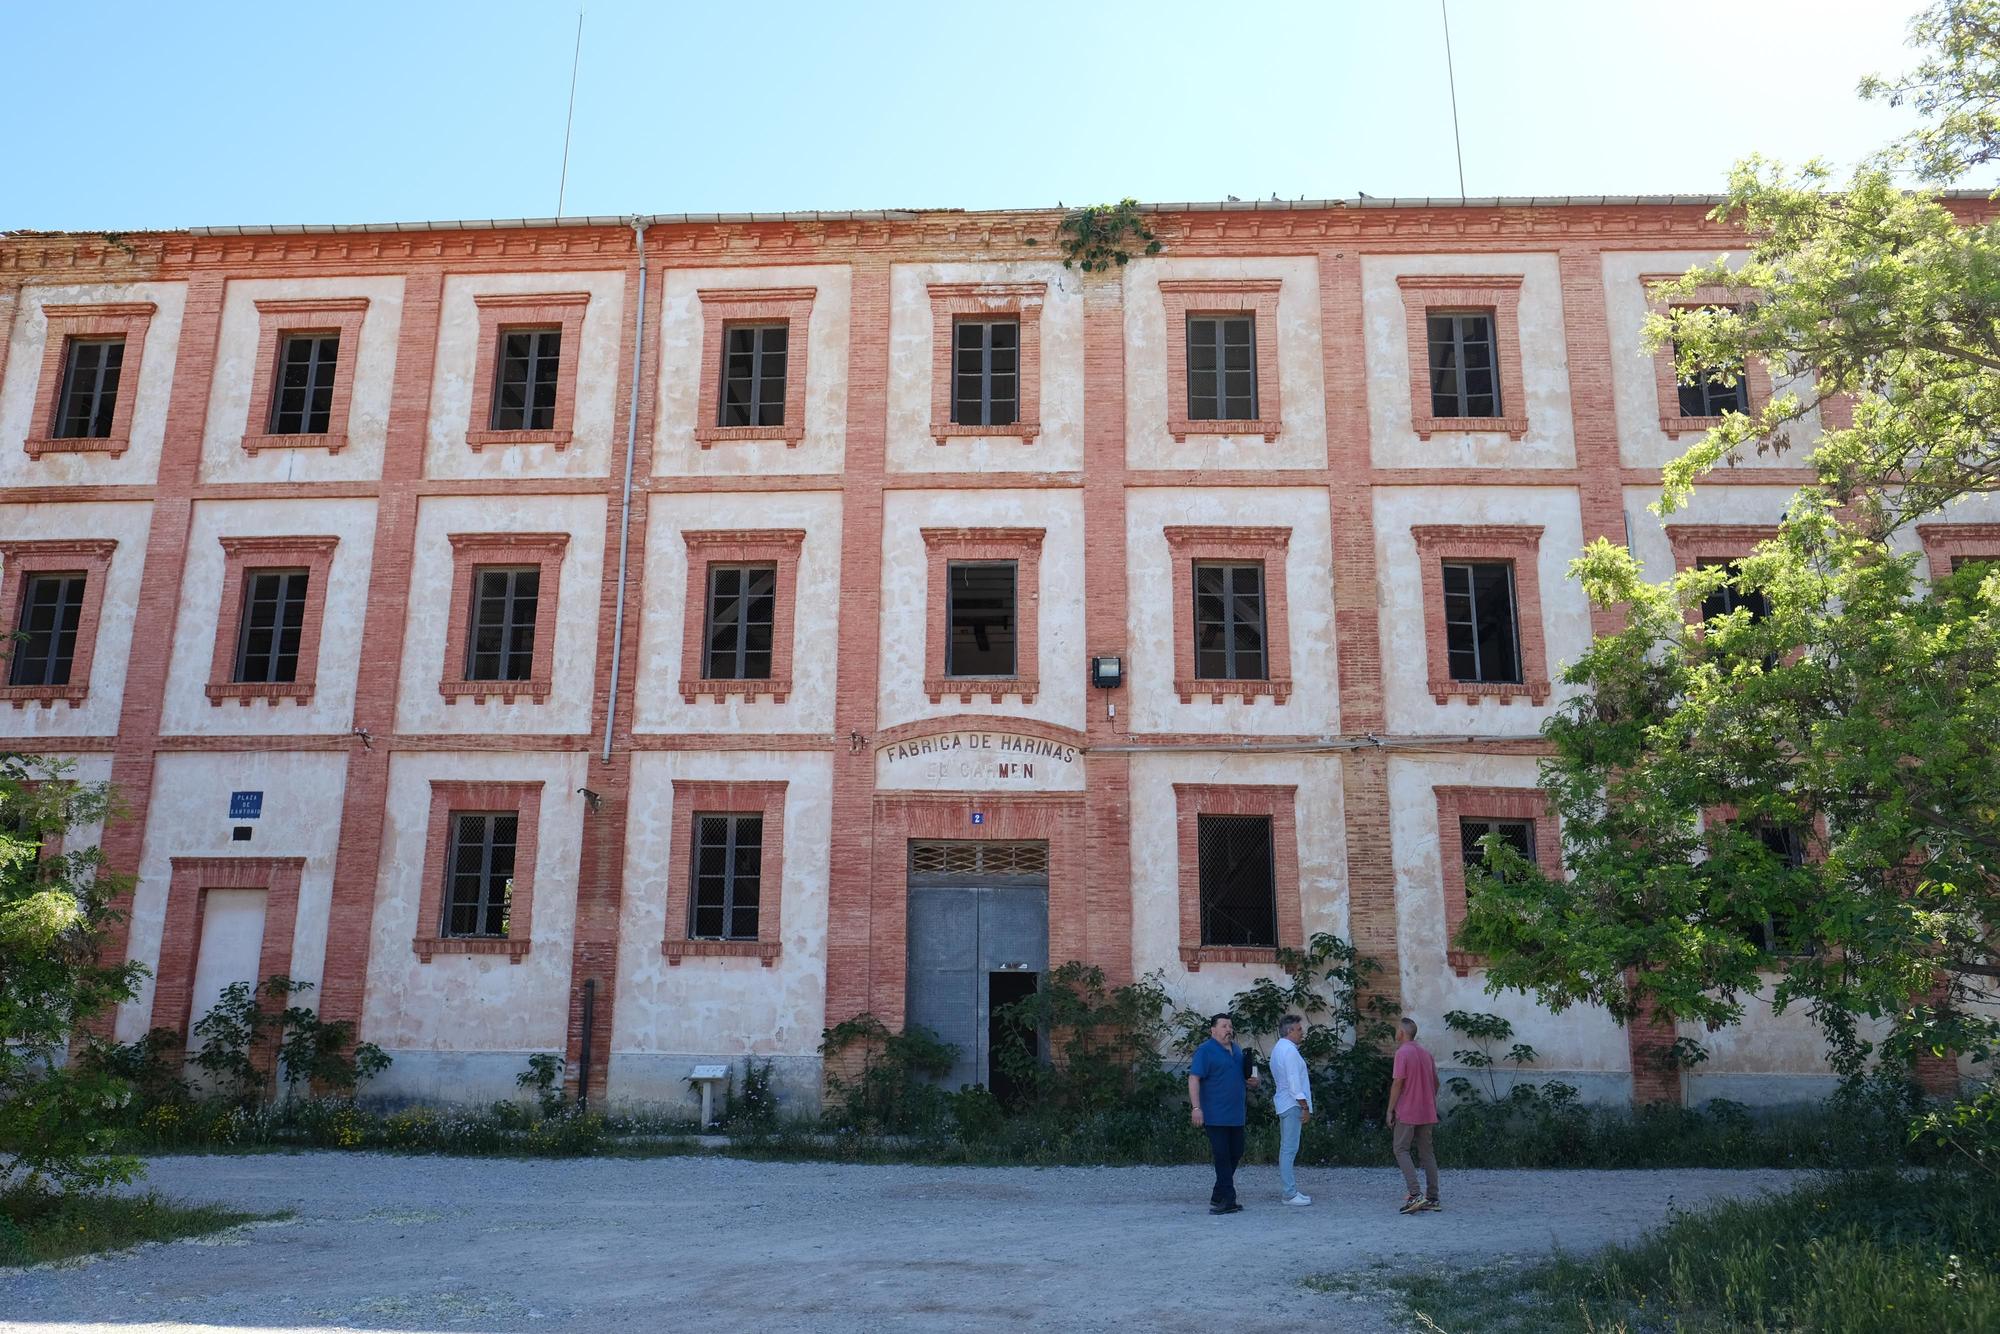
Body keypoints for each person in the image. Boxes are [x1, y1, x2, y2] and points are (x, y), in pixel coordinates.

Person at [1188, 1013, 1258, 1214]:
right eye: (1224, 1026)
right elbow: (1194, 1079)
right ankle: (1228, 1199)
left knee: (1236, 1153)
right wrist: (1196, 1108)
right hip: (1215, 1114)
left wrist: (1254, 1081)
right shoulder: (1205, 1051)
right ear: (1213, 1030)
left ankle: (1218, 1194)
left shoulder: (1237, 1050)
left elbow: (1244, 1077)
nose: (1229, 1029)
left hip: (1236, 1114)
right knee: (1222, 1155)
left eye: (1230, 1026)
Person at [1385, 1016, 1441, 1214]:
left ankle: (1415, 1194)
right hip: (1427, 1110)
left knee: (1401, 1149)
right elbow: (1436, 1083)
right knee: (1427, 1153)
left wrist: (1390, 1109)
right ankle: (1433, 1198)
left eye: (1396, 1029)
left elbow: (1398, 1082)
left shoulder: (1402, 1053)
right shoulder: (1426, 1053)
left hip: (1408, 1110)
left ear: (1402, 1032)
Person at [1269, 1014, 1313, 1205]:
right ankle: (1289, 1193)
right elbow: (1295, 1083)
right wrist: (1305, 1106)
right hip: (1292, 1104)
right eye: (1299, 1029)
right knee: (1289, 1149)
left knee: (1287, 1148)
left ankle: (1291, 1190)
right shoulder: (1290, 1052)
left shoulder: (1280, 1048)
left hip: (1285, 1103)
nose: (1302, 1032)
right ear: (1289, 1031)